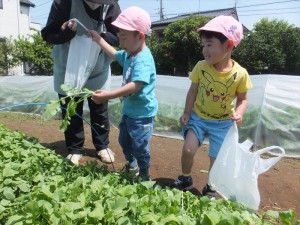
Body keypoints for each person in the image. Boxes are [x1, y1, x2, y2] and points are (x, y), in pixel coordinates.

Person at [171, 15, 253, 197]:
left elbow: (243, 99)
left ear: (229, 45)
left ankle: (211, 186)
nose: (204, 50)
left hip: (223, 122)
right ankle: (185, 178)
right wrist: (186, 112)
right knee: (188, 148)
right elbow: (192, 91)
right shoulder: (201, 67)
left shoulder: (240, 74)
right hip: (198, 117)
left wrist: (239, 113)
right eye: (203, 45)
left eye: (209, 45)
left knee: (216, 160)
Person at [41, 0, 121, 165]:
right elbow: (48, 34)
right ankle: (75, 148)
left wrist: (103, 37)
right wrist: (66, 33)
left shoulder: (111, 6)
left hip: (98, 66)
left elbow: (119, 35)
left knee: (99, 108)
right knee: (71, 108)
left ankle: (102, 146)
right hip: (68, 65)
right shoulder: (64, 3)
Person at [88, 6, 158, 180]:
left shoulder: (143, 59)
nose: (121, 42)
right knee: (124, 141)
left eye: (124, 38)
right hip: (129, 111)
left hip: (142, 114)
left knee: (140, 145)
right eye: (119, 37)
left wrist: (108, 95)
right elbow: (113, 54)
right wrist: (98, 39)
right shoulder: (129, 53)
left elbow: (136, 85)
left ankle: (144, 174)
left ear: (140, 36)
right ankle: (132, 164)